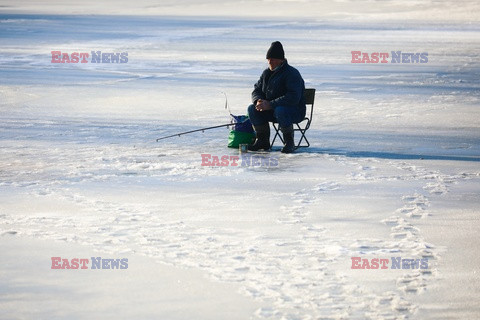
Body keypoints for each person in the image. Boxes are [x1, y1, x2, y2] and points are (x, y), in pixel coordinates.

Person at [247, 41, 306, 153]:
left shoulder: (292, 73)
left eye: (273, 59)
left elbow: (293, 97)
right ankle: (262, 140)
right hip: (273, 110)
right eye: (268, 59)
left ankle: (289, 142)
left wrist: (270, 104)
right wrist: (258, 101)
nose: (270, 62)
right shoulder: (266, 73)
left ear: (281, 60)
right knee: (252, 108)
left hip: (294, 111)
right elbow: (256, 89)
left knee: (280, 110)